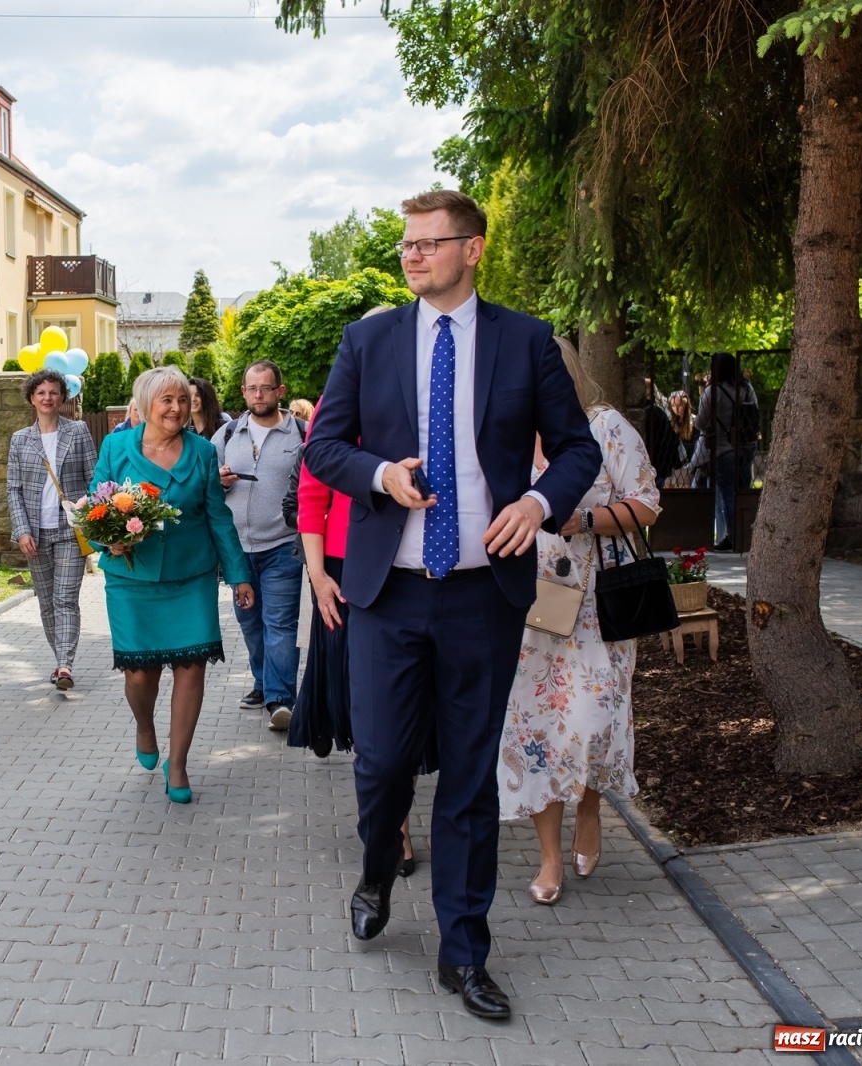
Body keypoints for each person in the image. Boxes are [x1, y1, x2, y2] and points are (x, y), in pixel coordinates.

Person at [303, 189, 601, 1021]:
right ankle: (374, 870)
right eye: (407, 244)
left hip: (483, 596)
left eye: (430, 243)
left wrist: (538, 504)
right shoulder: (368, 340)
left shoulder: (526, 341)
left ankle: (463, 952)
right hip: (387, 593)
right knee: (385, 761)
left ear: (472, 250)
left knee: (469, 778)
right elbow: (324, 445)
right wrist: (381, 476)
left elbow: (576, 450)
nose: (412, 256)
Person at [499, 337, 660, 905]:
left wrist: (583, 518)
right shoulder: (507, 432)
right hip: (529, 605)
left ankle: (589, 809)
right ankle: (548, 858)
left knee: (591, 724)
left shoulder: (607, 427)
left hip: (595, 606)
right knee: (536, 728)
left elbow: (647, 502)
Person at [90, 366, 254, 804]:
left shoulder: (201, 451)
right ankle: (145, 727)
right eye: (166, 400)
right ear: (145, 404)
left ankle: (177, 763)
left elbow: (218, 516)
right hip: (132, 578)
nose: (176, 408)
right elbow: (93, 507)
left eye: (182, 400)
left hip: (191, 575)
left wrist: (239, 573)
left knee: (191, 667)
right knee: (140, 675)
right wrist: (110, 541)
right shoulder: (115, 446)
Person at [290, 387, 430, 880]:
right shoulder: (341, 402)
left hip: (416, 565)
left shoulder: (427, 397)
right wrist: (317, 575)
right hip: (345, 569)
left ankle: (395, 818)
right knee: (371, 702)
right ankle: (394, 827)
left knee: (412, 699)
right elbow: (311, 495)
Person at [214, 361, 307, 731]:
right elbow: (205, 487)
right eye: (252, 389)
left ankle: (280, 699)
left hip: (284, 545)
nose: (258, 395)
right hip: (237, 550)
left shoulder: (301, 433)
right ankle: (262, 681)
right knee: (250, 623)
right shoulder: (226, 435)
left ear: (280, 392)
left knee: (280, 622)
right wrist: (218, 482)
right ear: (243, 392)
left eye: (266, 388)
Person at [6, 369, 97, 690]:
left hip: (70, 531)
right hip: (35, 533)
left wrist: (87, 503)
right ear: (32, 397)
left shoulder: (79, 431)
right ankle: (59, 658)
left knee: (65, 600)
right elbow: (13, 490)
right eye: (41, 392)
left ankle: (64, 665)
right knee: (46, 602)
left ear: (63, 397)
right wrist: (22, 531)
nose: (47, 398)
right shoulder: (20, 439)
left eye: (54, 392)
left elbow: (95, 478)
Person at [695, 353, 759, 550]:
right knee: (743, 490)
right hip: (747, 447)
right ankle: (747, 535)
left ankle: (732, 537)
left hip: (723, 449)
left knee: (728, 494)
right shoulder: (747, 388)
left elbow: (699, 423)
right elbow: (755, 412)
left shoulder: (713, 391)